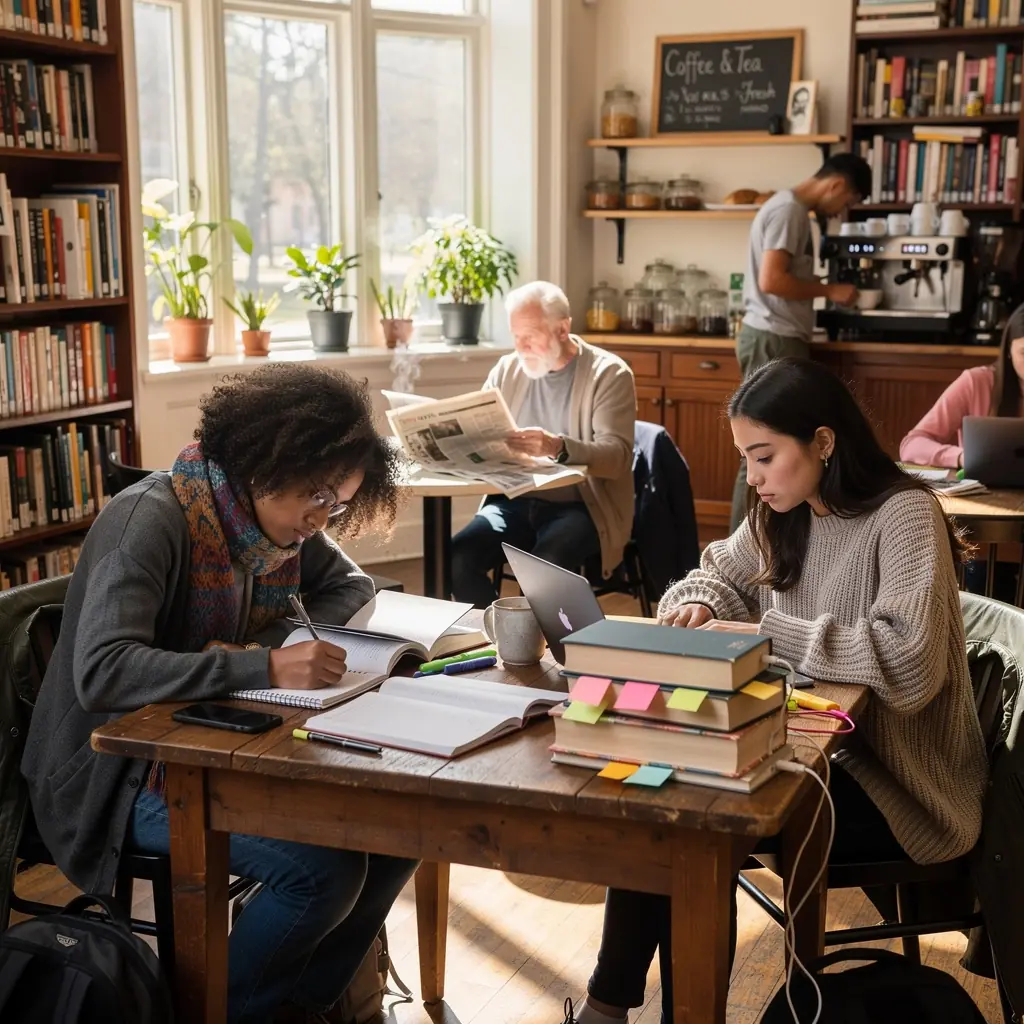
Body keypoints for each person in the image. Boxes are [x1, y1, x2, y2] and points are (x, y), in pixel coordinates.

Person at [568, 358, 987, 1024]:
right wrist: (700, 605)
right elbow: (711, 575)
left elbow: (908, 669)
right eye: (744, 460)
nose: (753, 478)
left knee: (691, 827)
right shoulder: (782, 511)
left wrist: (764, 632)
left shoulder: (905, 515)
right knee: (662, 800)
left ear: (823, 442)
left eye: (764, 456)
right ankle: (607, 1005)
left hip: (895, 783)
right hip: (806, 744)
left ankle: (628, 1009)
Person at [22, 364, 417, 1024]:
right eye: (317, 495)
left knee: (401, 828)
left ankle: (300, 1007)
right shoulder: (148, 521)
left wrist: (273, 641)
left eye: (339, 503)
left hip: (207, 742)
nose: (321, 519)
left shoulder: (272, 533)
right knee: (324, 873)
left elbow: (352, 585)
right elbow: (105, 673)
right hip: (108, 775)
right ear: (267, 464)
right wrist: (262, 666)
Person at [451, 281, 636, 608]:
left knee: (542, 569)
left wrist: (557, 446)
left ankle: (539, 651)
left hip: (580, 507)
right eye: (515, 336)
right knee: (457, 558)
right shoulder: (508, 370)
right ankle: (499, 640)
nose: (520, 346)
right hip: (513, 501)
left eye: (530, 336)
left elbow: (617, 457)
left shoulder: (609, 374)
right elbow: (477, 429)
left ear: (562, 329)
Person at [729, 152, 873, 532]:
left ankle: (755, 546)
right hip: (774, 337)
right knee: (759, 452)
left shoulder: (786, 208)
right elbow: (772, 280)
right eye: (849, 201)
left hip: (772, 335)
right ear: (837, 184)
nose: (843, 209)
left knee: (760, 450)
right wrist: (833, 290)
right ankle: (746, 549)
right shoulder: (790, 211)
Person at [900, 302, 1024, 468]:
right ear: (1009, 351)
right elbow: (912, 445)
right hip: (987, 491)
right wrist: (961, 457)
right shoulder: (977, 382)